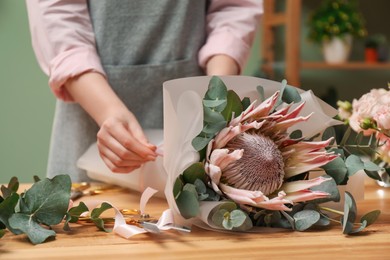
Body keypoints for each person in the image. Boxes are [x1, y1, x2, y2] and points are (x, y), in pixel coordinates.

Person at [25, 0, 263, 182]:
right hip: (90, 115)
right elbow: (57, 15)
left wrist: (216, 95)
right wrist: (108, 111)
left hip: (194, 115)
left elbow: (234, 8)